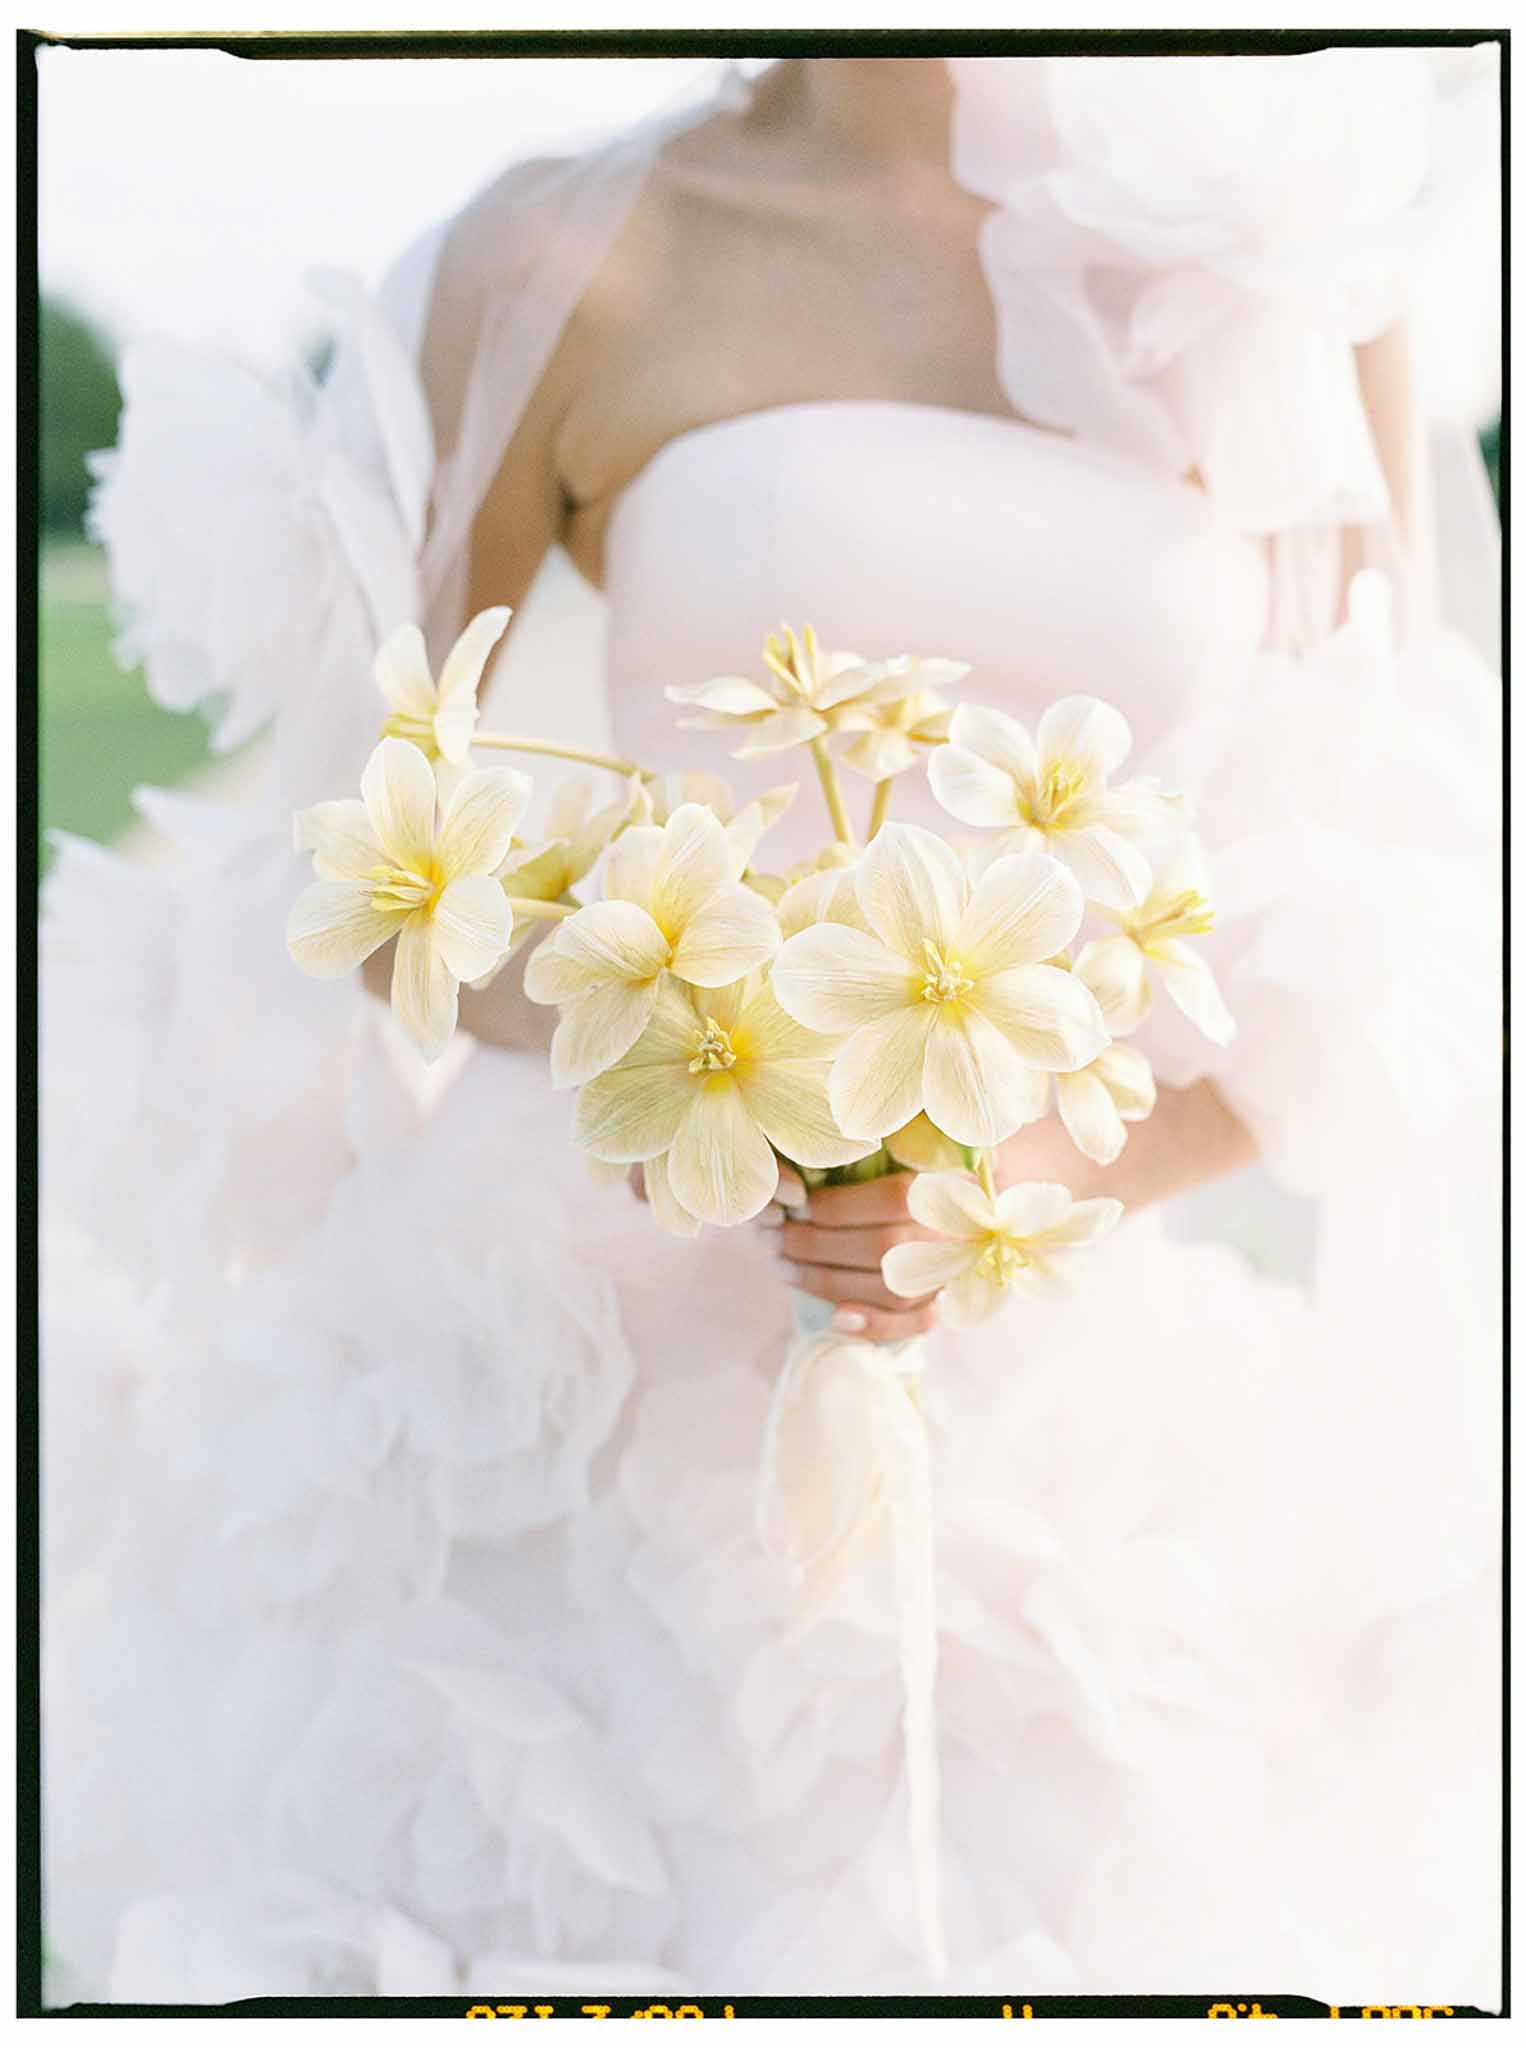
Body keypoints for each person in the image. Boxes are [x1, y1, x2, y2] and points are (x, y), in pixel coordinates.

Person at [43, 51, 1501, 2005]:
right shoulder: (564, 258)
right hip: (580, 1371)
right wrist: (673, 1060)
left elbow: (1374, 920)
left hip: (1073, 1406)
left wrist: (1041, 1168)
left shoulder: (1279, 266)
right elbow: (380, 874)